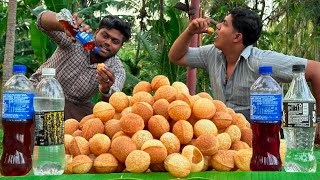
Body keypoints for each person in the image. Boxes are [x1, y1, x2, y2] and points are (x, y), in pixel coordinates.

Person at [168, 8, 320, 120]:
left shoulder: (261, 61)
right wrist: (189, 31)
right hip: (228, 138)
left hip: (261, 137)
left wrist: (318, 120)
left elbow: (316, 70)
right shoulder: (211, 54)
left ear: (237, 37)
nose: (218, 27)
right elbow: (176, 57)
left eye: (225, 24)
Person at [29, 10, 131, 121]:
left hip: (74, 106)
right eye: (105, 36)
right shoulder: (78, 37)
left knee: (96, 120)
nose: (108, 42)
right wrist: (64, 25)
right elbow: (41, 20)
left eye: (115, 41)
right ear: (96, 33)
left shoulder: (116, 69)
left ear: (120, 46)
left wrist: (105, 90)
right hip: (40, 93)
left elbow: (112, 104)